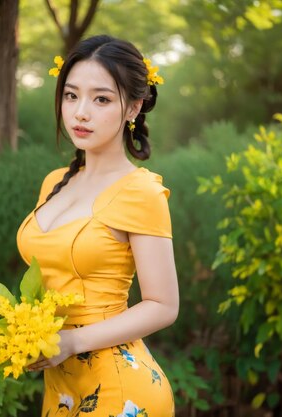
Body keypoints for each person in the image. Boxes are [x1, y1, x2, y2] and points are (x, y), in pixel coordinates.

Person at [16, 34, 179, 417]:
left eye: (101, 99)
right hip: (61, 387)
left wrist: (72, 341)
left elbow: (163, 305)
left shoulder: (141, 191)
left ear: (133, 107)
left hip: (120, 391)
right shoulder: (56, 181)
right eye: (71, 96)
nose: (80, 112)